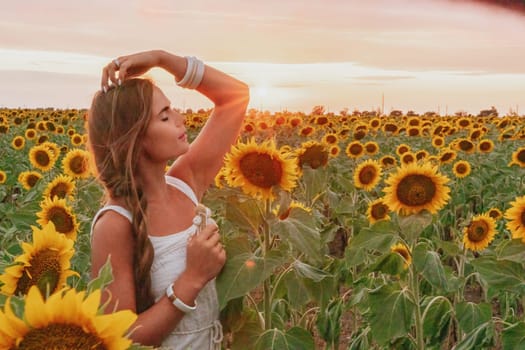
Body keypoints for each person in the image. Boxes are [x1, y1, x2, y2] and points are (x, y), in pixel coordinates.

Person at [87, 50, 250, 349]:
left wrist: (161, 59)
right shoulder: (114, 224)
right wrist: (192, 278)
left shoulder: (185, 182)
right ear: (134, 138)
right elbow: (119, 337)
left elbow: (236, 96)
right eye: (164, 115)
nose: (180, 118)